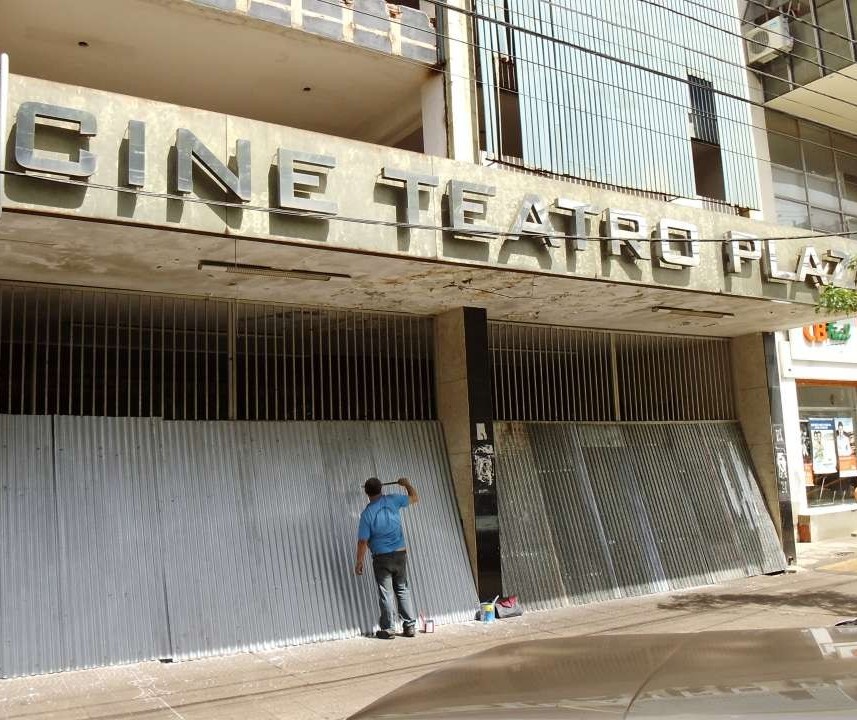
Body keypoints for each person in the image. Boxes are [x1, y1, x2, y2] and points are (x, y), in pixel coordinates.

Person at [354, 476, 419, 639]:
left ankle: (389, 629)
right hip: (400, 554)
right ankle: (409, 626)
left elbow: (363, 541)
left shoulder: (367, 514)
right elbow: (415, 498)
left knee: (386, 593)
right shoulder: (394, 500)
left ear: (367, 493)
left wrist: (359, 561)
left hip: (381, 557)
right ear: (381, 489)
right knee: (402, 589)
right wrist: (407, 484)